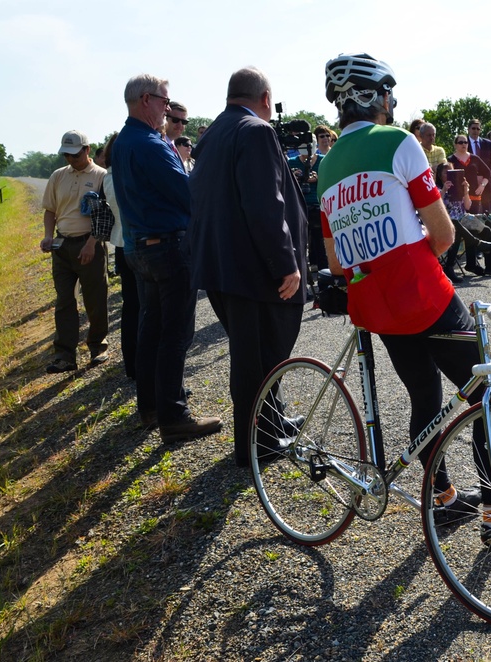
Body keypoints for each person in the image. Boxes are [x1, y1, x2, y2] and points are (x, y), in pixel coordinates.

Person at [319, 52, 491, 545]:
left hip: (377, 306)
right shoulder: (398, 142)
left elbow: (337, 261)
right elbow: (442, 236)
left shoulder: (328, 163)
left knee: (425, 397)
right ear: (372, 96)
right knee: (485, 396)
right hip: (423, 295)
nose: (393, 101)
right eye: (389, 92)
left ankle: (441, 496)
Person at [189, 66, 309, 468]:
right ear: (263, 98)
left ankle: (270, 425)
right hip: (253, 270)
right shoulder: (256, 131)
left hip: (222, 267)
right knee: (256, 359)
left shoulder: (211, 137)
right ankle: (256, 443)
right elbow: (265, 205)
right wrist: (286, 263)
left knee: (259, 358)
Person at [113, 73, 222, 442]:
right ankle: (175, 417)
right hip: (168, 247)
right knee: (176, 333)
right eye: (164, 101)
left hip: (140, 247)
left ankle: (151, 407)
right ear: (146, 100)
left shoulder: (124, 142)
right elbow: (186, 193)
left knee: (151, 329)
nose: (168, 108)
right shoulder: (151, 144)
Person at [39, 130, 109, 373]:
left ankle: (98, 346)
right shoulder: (58, 176)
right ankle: (65, 355)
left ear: (87, 150)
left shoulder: (101, 176)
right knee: (64, 301)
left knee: (95, 299)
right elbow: (50, 210)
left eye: (75, 154)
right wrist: (49, 236)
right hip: (62, 246)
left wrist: (91, 244)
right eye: (66, 155)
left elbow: (104, 217)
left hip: (90, 244)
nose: (70, 159)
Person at [102, 132, 140, 381]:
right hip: (134, 245)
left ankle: (132, 364)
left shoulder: (107, 177)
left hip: (120, 246)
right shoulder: (121, 177)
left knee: (131, 308)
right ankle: (137, 365)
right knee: (140, 308)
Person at [437, 162, 491, 282]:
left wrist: (466, 192)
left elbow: (467, 206)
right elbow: (437, 207)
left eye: (452, 172)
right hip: (446, 221)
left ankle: (490, 265)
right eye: (446, 172)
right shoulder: (437, 189)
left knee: (486, 230)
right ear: (440, 175)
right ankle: (453, 266)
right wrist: (444, 191)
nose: (449, 175)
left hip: (463, 217)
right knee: (459, 229)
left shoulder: (458, 188)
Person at [286, 125, 326, 272]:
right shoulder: (291, 162)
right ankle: (302, 274)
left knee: (320, 243)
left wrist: (318, 178)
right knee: (299, 244)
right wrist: (293, 176)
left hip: (317, 205)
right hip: (299, 206)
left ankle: (323, 276)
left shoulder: (323, 161)